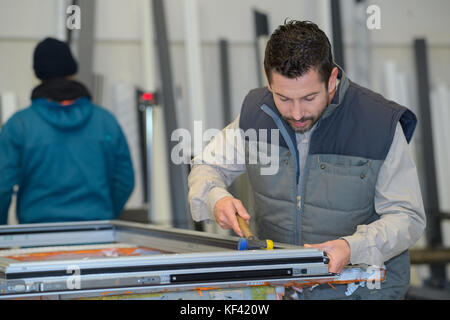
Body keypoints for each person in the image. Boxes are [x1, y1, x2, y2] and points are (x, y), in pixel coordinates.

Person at [188, 20, 426, 299]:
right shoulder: (256, 114)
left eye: (310, 97)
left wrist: (351, 248)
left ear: (332, 79)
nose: (297, 113)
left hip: (360, 291)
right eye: (284, 98)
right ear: (268, 81)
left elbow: (406, 217)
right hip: (281, 289)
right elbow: (206, 165)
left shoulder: (378, 123)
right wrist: (217, 197)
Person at [0, 37, 134, 224]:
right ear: (72, 70)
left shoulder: (20, 125)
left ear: (38, 73)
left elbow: (3, 186)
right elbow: (125, 180)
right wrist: (104, 213)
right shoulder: (105, 121)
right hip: (97, 236)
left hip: (39, 240)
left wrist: (3, 236)